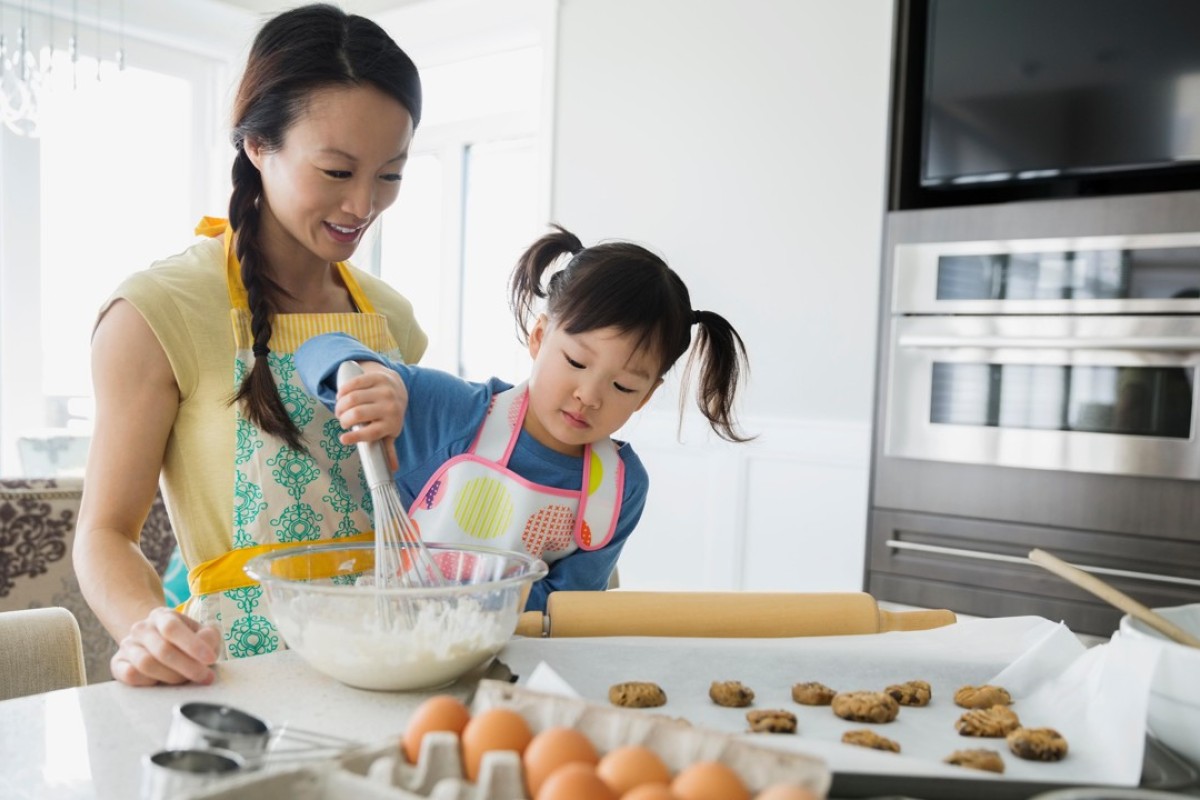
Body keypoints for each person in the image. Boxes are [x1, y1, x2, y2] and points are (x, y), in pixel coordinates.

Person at [73, 3, 428, 687]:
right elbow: (104, 533)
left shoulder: (391, 319)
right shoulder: (157, 312)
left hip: (389, 664)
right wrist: (149, 627)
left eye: (390, 175)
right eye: (336, 171)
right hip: (238, 679)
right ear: (257, 144)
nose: (363, 205)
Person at [295, 225, 752, 612]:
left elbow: (567, 609)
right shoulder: (451, 413)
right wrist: (374, 376)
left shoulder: (619, 488)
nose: (588, 396)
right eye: (575, 361)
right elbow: (317, 348)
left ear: (646, 396)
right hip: (394, 642)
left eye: (623, 387)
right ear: (538, 336)